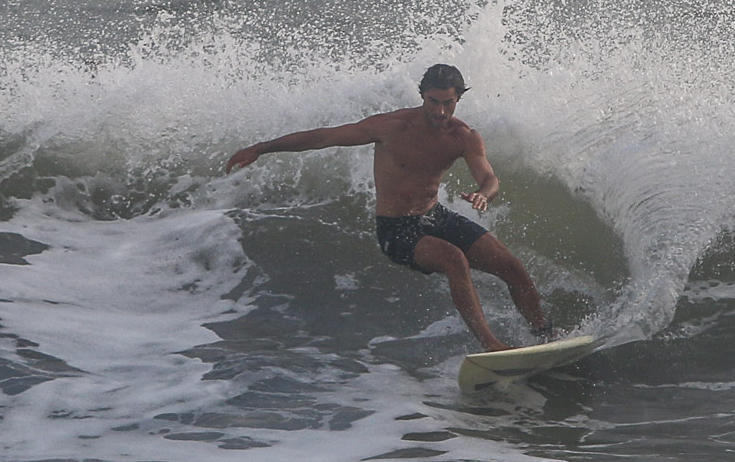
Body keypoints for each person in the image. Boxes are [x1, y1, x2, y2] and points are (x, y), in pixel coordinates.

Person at [226, 64, 552, 352]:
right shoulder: (391, 127)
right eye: (433, 102)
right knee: (454, 260)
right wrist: (262, 148)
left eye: (448, 103)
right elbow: (324, 137)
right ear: (422, 95)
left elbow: (489, 178)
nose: (440, 111)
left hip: (435, 215)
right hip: (396, 228)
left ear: (458, 99)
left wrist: (484, 194)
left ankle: (543, 337)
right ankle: (490, 345)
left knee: (513, 267)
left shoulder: (464, 137)